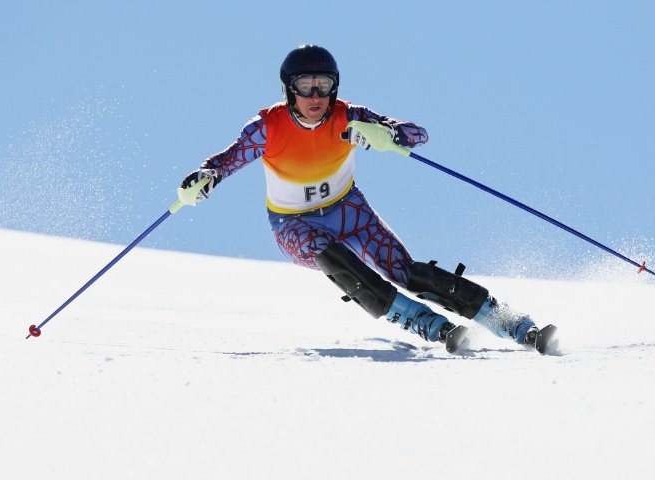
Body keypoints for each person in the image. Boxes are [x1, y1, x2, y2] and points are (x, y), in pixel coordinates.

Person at [177, 44, 556, 354]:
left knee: (404, 270)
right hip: (294, 224)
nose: (314, 96)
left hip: (348, 211)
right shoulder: (267, 127)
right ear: (288, 89)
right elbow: (224, 161)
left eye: (323, 85)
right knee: (330, 254)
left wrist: (388, 135)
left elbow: (417, 133)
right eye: (304, 86)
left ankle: (512, 323)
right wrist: (206, 178)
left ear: (334, 87)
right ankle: (427, 325)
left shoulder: (349, 117)